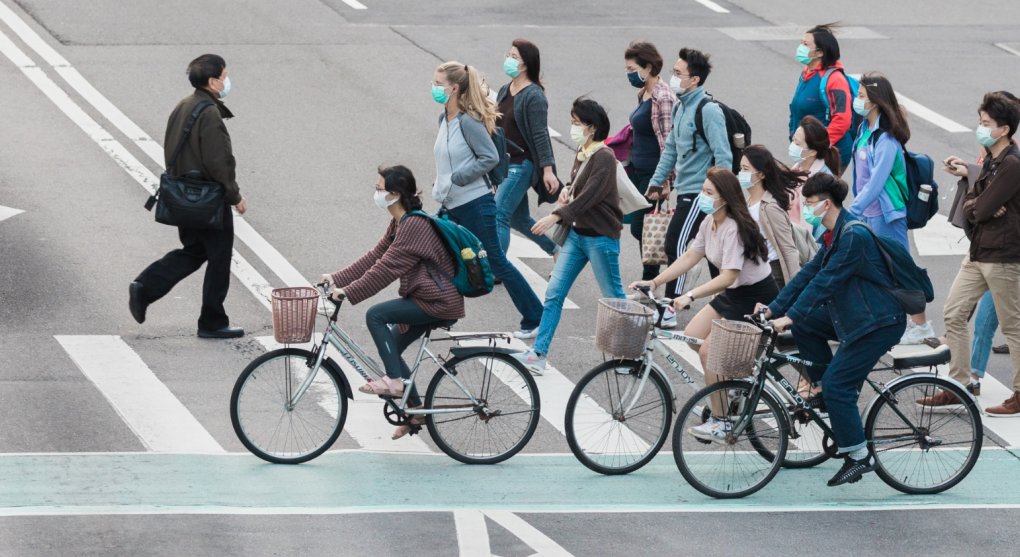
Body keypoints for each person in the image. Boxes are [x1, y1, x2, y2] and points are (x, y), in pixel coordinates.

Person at [757, 173, 906, 487]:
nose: (807, 209)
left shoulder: (853, 236)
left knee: (839, 385)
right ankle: (826, 390)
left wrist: (790, 317)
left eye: (810, 203)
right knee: (807, 327)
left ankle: (858, 455)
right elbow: (808, 275)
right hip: (854, 315)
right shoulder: (834, 234)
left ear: (827, 204)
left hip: (876, 323)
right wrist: (773, 309)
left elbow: (825, 284)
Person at [631, 168, 777, 440]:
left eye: (709, 193)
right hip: (734, 293)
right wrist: (654, 282)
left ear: (726, 198)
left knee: (710, 352)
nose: (703, 197)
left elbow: (729, 275)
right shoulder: (709, 222)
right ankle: (732, 385)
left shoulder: (733, 227)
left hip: (754, 296)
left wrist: (691, 295)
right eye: (703, 191)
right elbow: (690, 256)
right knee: (693, 337)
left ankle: (722, 421)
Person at [321, 166, 464, 440]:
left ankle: (395, 383)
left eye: (379, 189)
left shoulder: (414, 226)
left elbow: (385, 270)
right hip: (426, 297)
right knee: (392, 351)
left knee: (376, 315)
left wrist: (347, 292)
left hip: (438, 301)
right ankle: (416, 411)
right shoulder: (401, 221)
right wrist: (335, 277)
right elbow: (375, 256)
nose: (376, 193)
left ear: (395, 194)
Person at [129, 54, 248, 338]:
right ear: (212, 81)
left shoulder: (184, 105)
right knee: (219, 259)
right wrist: (234, 197)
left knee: (195, 251)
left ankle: (146, 287)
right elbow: (219, 162)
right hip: (208, 200)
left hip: (185, 196)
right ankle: (212, 321)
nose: (227, 80)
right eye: (224, 75)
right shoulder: (208, 113)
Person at [431, 61, 544, 340]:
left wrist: (458, 177)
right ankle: (438, 313)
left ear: (454, 88)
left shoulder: (468, 122)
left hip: (475, 204)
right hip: (451, 203)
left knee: (495, 263)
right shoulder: (443, 119)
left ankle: (535, 316)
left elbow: (489, 157)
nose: (433, 88)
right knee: (437, 256)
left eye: (438, 83)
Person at [924, 92, 1020, 416]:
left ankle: (1019, 394)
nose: (980, 128)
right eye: (980, 122)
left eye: (986, 124)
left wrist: (980, 206)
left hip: (1004, 256)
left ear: (1004, 129)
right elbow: (976, 204)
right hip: (979, 252)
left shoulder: (1010, 165)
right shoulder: (991, 161)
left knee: (1012, 327)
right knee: (953, 312)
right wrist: (979, 203)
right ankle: (959, 385)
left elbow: (979, 209)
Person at [513, 98, 626, 374]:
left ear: (592, 127)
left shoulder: (604, 156)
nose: (573, 128)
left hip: (600, 238)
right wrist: (566, 191)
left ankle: (630, 353)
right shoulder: (583, 150)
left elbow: (590, 196)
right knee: (554, 292)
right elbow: (578, 187)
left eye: (577, 123)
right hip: (577, 236)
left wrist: (556, 215)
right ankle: (539, 353)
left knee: (614, 297)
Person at [647, 47, 733, 328]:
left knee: (677, 243)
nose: (673, 78)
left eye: (677, 73)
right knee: (710, 253)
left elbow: (724, 156)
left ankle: (670, 307)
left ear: (694, 80)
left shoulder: (709, 111)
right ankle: (731, 303)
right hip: (685, 188)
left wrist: (720, 195)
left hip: (702, 192)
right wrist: (657, 181)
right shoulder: (681, 106)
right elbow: (670, 149)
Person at [849, 72, 934, 344]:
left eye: (862, 96)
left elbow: (876, 182)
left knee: (900, 268)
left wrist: (853, 210)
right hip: (868, 213)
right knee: (875, 269)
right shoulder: (864, 131)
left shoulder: (886, 140)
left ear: (875, 101)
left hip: (887, 215)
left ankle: (921, 326)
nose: (857, 100)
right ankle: (883, 319)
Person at [495, 39, 562, 259]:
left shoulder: (533, 96)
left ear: (526, 64)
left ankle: (498, 267)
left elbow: (541, 135)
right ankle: (555, 250)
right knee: (519, 218)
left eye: (514, 57)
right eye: (508, 55)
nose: (508, 60)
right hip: (504, 164)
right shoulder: (506, 89)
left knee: (499, 214)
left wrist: (548, 170)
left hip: (521, 164)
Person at [622, 40, 675, 283]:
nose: (629, 75)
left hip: (654, 172)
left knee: (644, 227)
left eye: (632, 70)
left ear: (648, 67)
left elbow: (669, 141)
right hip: (637, 169)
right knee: (639, 226)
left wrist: (665, 181)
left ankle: (650, 281)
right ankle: (663, 268)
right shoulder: (643, 93)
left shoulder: (663, 97)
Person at [789, 23, 854, 169]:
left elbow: (842, 120)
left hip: (826, 154)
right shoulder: (807, 74)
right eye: (801, 43)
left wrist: (820, 149)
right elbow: (796, 108)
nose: (801, 48)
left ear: (819, 53)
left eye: (805, 44)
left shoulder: (835, 80)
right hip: (806, 150)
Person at [739, 144, 805, 288]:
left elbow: (788, 248)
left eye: (745, 169)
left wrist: (794, 289)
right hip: (753, 270)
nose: (741, 174)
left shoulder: (770, 207)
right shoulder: (748, 202)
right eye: (741, 168)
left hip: (771, 274)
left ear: (761, 174)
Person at [789, 115, 840, 230]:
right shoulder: (797, 169)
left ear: (812, 152)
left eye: (797, 144)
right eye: (793, 140)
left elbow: (821, 228)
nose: (792, 146)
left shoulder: (824, 182)